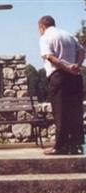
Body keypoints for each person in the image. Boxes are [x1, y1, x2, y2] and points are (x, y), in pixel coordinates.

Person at [38, 16, 85, 155]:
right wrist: (77, 65)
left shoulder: (45, 37)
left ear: (42, 26)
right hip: (75, 77)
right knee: (75, 112)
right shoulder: (68, 35)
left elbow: (50, 57)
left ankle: (60, 146)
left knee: (60, 112)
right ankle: (76, 145)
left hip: (59, 77)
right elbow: (82, 51)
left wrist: (66, 67)